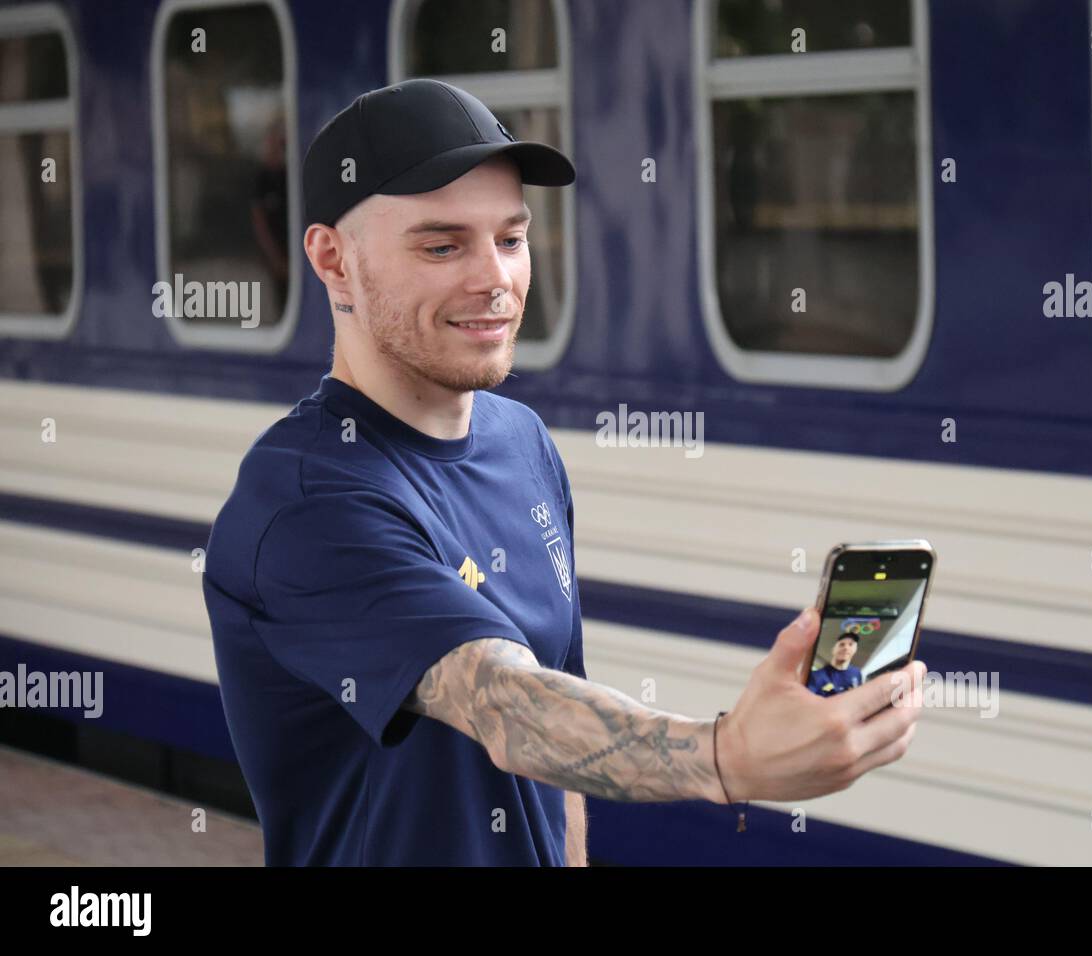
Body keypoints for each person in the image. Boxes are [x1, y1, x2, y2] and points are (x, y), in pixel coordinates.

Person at [202, 78, 927, 867]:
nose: (496, 280)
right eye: (442, 245)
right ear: (332, 259)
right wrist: (725, 757)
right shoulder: (306, 500)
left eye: (510, 240)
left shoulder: (522, 442)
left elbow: (561, 722)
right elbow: (506, 705)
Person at [808, 632, 865, 697]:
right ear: (833, 650)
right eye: (841, 644)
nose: (846, 648)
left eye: (851, 645)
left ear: (855, 650)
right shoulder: (816, 676)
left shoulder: (856, 673)